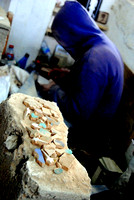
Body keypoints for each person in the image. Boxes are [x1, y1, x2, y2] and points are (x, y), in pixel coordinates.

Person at [41, 0, 124, 155]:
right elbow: (88, 85)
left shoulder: (94, 58)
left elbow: (76, 112)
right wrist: (67, 77)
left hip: (87, 137)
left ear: (73, 32)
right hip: (95, 126)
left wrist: (53, 89)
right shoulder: (101, 45)